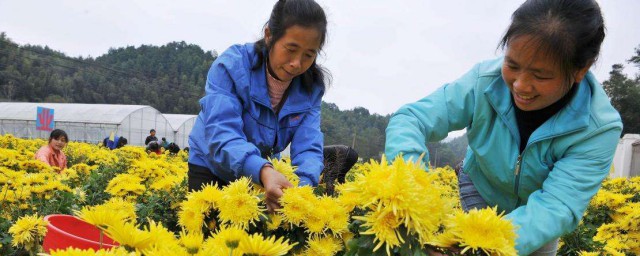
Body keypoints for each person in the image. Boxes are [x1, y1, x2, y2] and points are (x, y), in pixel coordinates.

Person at [384, 0, 622, 255]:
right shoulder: (483, 81)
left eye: (540, 76)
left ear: (580, 70)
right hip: (482, 187)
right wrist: (411, 185)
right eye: (512, 65)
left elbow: (557, 205)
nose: (520, 85)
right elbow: (411, 119)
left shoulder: (598, 128)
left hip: (540, 211)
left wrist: (487, 244)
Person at [188, 0, 357, 212]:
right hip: (212, 164)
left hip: (262, 170)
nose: (297, 63)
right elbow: (222, 134)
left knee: (257, 238)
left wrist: (301, 190)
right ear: (269, 35)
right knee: (208, 232)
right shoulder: (231, 67)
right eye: (291, 49)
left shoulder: (311, 87)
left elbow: (308, 144)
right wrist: (263, 170)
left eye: (308, 54)